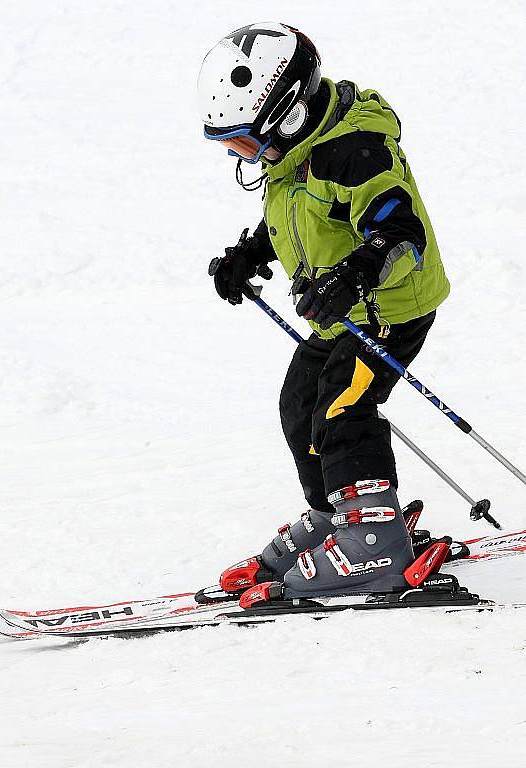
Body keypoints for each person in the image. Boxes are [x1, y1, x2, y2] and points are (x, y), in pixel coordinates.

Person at [197, 22, 451, 600]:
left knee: (341, 406)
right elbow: (294, 211)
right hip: (341, 313)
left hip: (390, 304)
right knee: (300, 404)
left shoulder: (356, 151)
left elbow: (398, 229)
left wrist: (357, 271)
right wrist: (251, 253)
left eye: (242, 141)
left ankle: (374, 542)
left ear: (287, 114)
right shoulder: (296, 153)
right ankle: (343, 515)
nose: (238, 155)